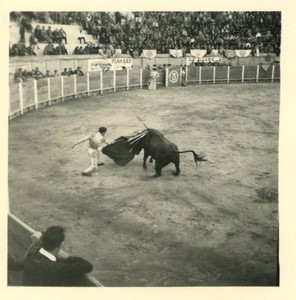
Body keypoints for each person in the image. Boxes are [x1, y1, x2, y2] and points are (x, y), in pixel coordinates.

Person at [21, 226, 93, 286]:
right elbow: (87, 266)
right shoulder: (56, 268)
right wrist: (67, 258)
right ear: (58, 246)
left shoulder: (32, 253)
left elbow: (38, 243)